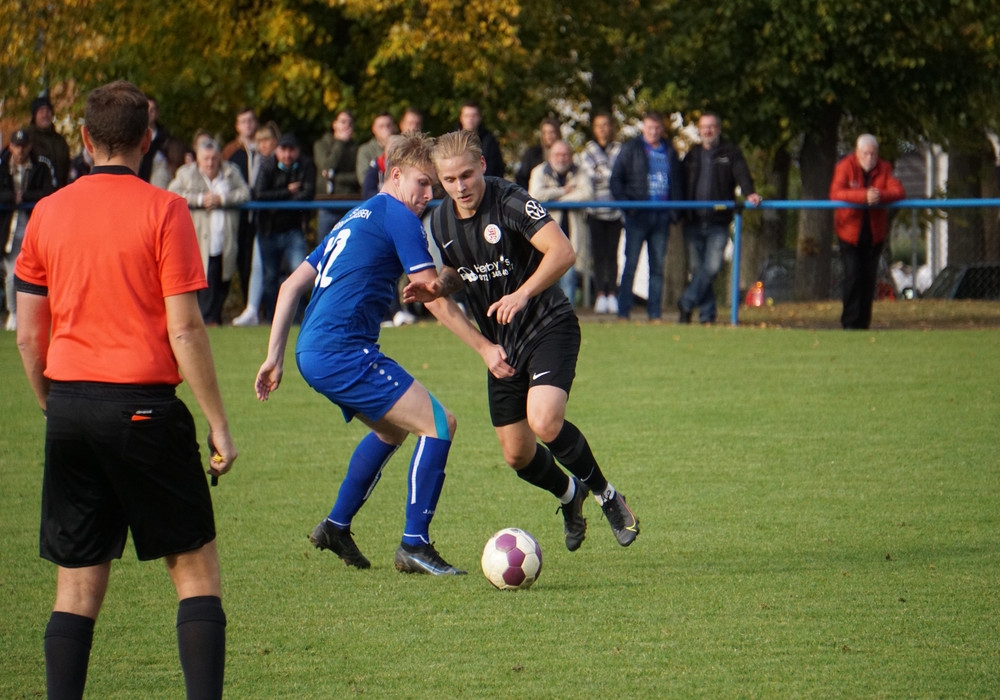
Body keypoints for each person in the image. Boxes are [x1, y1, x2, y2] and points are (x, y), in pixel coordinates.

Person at [13, 79, 236, 700]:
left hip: (70, 407)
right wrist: (218, 423)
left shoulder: (47, 212)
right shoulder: (165, 209)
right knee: (195, 573)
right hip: (144, 409)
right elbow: (185, 328)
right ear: (148, 138)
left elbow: (28, 338)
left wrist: (53, 404)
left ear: (85, 138)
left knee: (76, 587)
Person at [406, 129, 640, 553]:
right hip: (502, 344)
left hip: (548, 325)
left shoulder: (509, 200)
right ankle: (570, 495)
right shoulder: (440, 221)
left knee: (544, 421)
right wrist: (438, 287)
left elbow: (562, 251)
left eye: (466, 175)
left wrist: (522, 293)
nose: (460, 187)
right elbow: (461, 270)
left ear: (482, 166)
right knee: (517, 455)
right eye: (449, 180)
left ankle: (607, 496)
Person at [254, 131, 464, 576]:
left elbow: (290, 286)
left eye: (432, 187)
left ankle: (336, 526)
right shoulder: (399, 216)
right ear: (396, 174)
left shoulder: (354, 215)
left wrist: (274, 357)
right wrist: (484, 346)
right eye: (423, 183)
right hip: (342, 349)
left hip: (313, 350)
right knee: (440, 423)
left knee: (392, 430)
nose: (429, 195)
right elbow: (432, 295)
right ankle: (415, 545)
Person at [678, 113, 762, 324]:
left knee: (713, 266)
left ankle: (686, 302)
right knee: (698, 270)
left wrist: (749, 193)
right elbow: (679, 183)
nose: (708, 131)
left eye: (712, 126)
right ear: (699, 130)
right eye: (704, 127)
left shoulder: (730, 152)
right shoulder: (692, 155)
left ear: (719, 129)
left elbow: (742, 174)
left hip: (718, 221)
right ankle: (707, 315)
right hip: (693, 221)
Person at [610, 110, 683, 323]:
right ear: (643, 128)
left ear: (662, 129)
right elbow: (616, 180)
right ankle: (623, 312)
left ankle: (654, 314)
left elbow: (678, 182)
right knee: (630, 265)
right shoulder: (631, 148)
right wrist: (628, 207)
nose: (653, 131)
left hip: (662, 216)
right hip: (638, 216)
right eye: (650, 127)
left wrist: (675, 212)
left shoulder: (670, 150)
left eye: (657, 128)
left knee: (658, 268)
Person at [169, 139, 251, 325]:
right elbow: (172, 193)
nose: (210, 163)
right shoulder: (186, 173)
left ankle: (214, 319)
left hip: (225, 239)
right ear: (198, 159)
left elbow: (245, 193)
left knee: (223, 279)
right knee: (203, 281)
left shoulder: (231, 172)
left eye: (214, 158)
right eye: (206, 159)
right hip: (198, 240)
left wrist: (222, 199)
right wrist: (200, 199)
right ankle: (207, 320)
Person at [830, 134, 905, 329]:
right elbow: (836, 193)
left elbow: (898, 191)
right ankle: (849, 323)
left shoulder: (884, 168)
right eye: (865, 153)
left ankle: (864, 323)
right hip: (849, 233)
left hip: (874, 235)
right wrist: (863, 196)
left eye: (873, 154)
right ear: (857, 152)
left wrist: (880, 196)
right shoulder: (845, 167)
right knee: (853, 276)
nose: (869, 158)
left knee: (868, 279)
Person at [253, 132, 315, 322]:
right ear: (277, 151)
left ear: (298, 151)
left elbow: (308, 193)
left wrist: (278, 202)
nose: (287, 155)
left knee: (299, 275)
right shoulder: (267, 165)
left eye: (291, 150)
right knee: (270, 277)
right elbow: (259, 194)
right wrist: (287, 192)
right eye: (283, 150)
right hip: (269, 230)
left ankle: (299, 317)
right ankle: (272, 318)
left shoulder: (306, 165)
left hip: (293, 230)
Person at [528, 139, 593, 305]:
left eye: (565, 155)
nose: (561, 158)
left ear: (570, 156)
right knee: (544, 279)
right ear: (550, 156)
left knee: (568, 278)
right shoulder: (539, 171)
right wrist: (563, 191)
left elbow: (587, 194)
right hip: (545, 237)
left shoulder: (580, 171)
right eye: (557, 154)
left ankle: (567, 314)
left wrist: (557, 200)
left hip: (572, 236)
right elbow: (535, 195)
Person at [2, 129, 55, 331]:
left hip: (33, 225)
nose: (20, 150)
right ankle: (13, 313)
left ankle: (37, 316)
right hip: (8, 229)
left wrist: (23, 197)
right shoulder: (2, 165)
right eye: (17, 146)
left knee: (38, 274)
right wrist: (11, 198)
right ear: (11, 147)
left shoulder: (41, 166)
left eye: (24, 146)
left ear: (29, 146)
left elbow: (48, 192)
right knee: (11, 274)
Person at [232, 122, 280, 327]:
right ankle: (253, 308)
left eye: (266, 140)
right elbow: (256, 191)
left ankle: (276, 311)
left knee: (281, 269)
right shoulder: (259, 160)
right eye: (260, 141)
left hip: (280, 222)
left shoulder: (278, 161)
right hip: (263, 222)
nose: (263, 145)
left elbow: (260, 191)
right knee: (258, 266)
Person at [579, 113, 623, 314]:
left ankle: (612, 293)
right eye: (599, 125)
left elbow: (619, 175)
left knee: (613, 255)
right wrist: (609, 175)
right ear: (594, 129)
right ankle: (599, 295)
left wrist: (603, 173)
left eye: (606, 125)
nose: (603, 129)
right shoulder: (588, 151)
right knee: (598, 256)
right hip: (595, 211)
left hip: (615, 212)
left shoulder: (619, 149)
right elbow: (588, 175)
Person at [222, 107, 261, 306]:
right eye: (243, 121)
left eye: (250, 120)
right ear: (237, 126)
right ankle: (245, 305)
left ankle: (258, 307)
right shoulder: (230, 151)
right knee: (239, 260)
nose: (247, 125)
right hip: (239, 214)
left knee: (259, 263)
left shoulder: (263, 147)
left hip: (261, 213)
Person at [313, 109, 361, 238]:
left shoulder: (356, 148)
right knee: (324, 245)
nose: (347, 126)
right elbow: (327, 167)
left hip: (349, 203)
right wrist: (340, 143)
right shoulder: (321, 145)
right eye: (343, 122)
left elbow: (357, 177)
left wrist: (334, 177)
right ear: (334, 124)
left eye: (350, 123)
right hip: (327, 204)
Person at [23, 94, 69, 189]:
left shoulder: (60, 141)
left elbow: (67, 168)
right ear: (34, 115)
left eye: (48, 111)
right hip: (35, 193)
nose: (45, 115)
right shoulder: (26, 139)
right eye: (41, 111)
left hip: (59, 191)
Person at [458, 101, 505, 178]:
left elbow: (497, 167)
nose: (470, 119)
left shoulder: (489, 140)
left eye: (474, 115)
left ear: (479, 118)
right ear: (461, 118)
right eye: (467, 116)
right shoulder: (452, 140)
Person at [515, 116, 561, 190]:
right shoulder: (532, 154)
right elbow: (522, 178)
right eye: (545, 133)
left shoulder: (565, 153)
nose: (549, 136)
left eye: (551, 132)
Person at [355, 112, 397, 185]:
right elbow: (363, 178)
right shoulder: (365, 150)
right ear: (374, 129)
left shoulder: (401, 147)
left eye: (388, 125)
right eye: (381, 126)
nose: (386, 129)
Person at [137, 95, 170, 182]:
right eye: (146, 110)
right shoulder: (134, 137)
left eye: (152, 110)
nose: (149, 113)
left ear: (157, 113)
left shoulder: (166, 140)